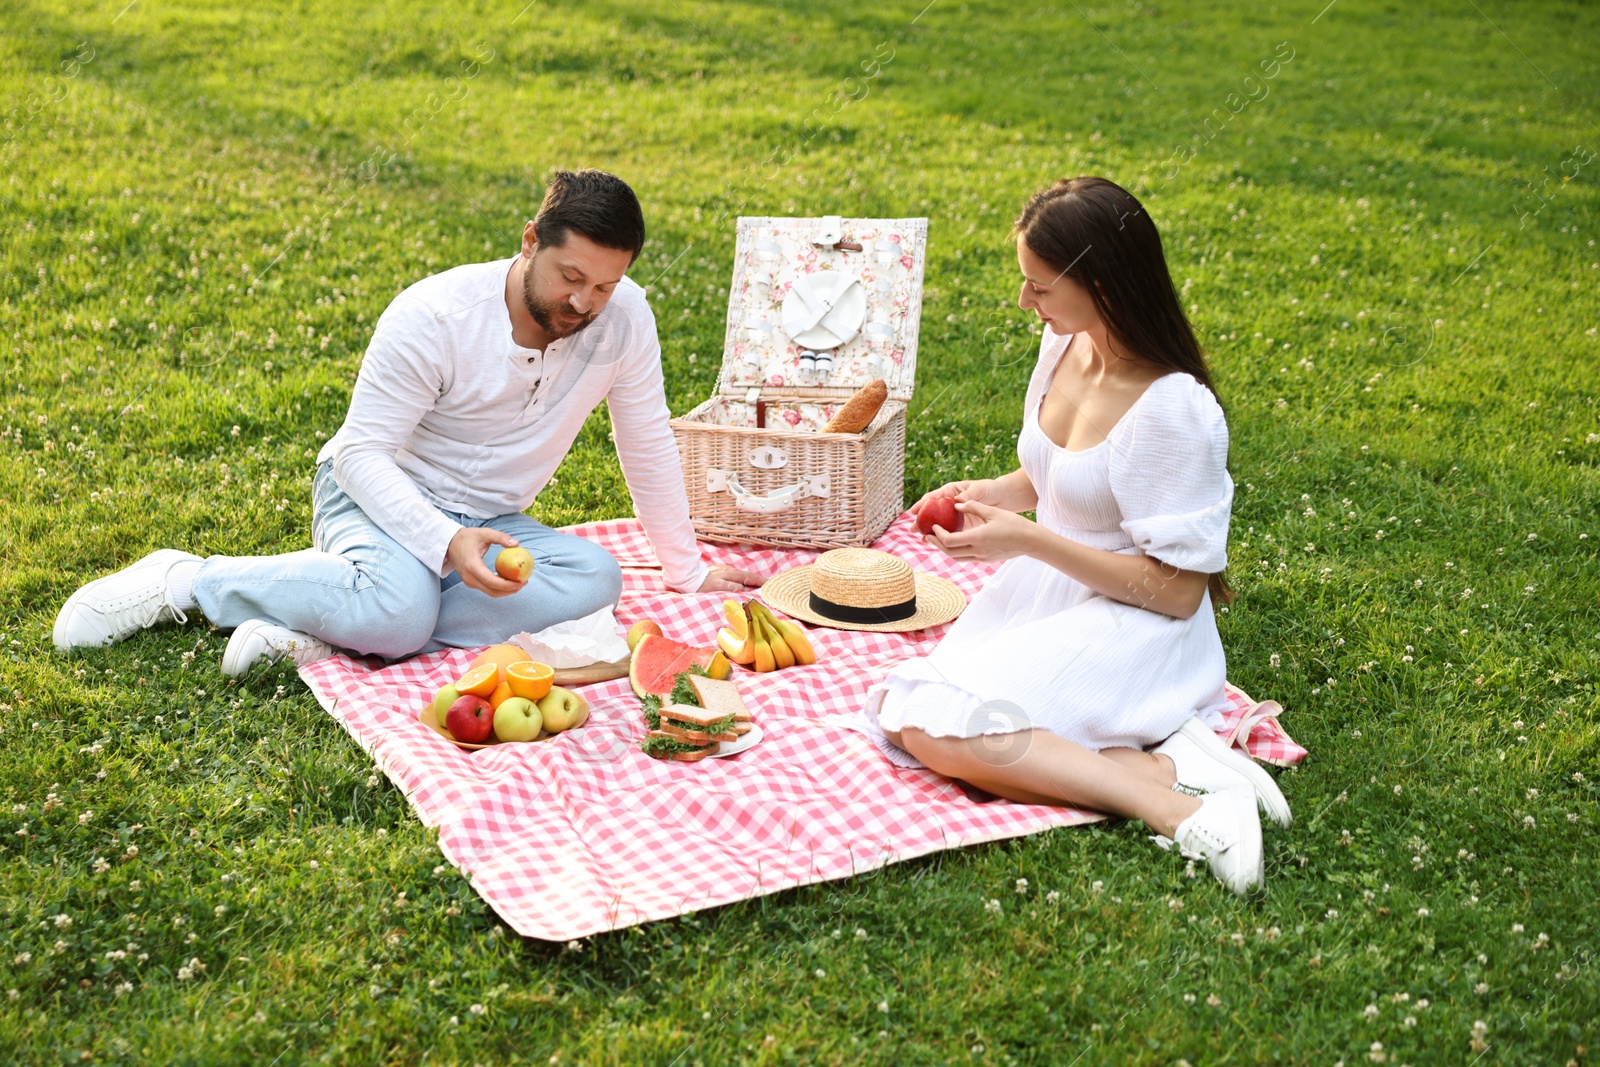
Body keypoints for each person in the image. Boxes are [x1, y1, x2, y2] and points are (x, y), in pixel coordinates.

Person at [54, 169, 763, 675]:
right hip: (374, 497)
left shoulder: (626, 317)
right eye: (570, 277)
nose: (584, 302)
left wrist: (685, 568)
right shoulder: (435, 315)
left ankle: (333, 626)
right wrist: (443, 539)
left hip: (488, 517)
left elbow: (644, 437)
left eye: (604, 285)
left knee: (595, 578)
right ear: (529, 240)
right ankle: (189, 580)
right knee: (400, 609)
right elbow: (361, 453)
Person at [858, 176, 1289, 894]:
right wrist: (993, 495)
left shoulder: (1172, 410)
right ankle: (1172, 762)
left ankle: (1174, 807)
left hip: (1139, 627)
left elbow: (1179, 594)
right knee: (912, 716)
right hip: (1054, 596)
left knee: (942, 727)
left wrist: (1026, 542)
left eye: (1040, 287)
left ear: (1105, 284)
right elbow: (1063, 474)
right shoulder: (1066, 347)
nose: (1026, 302)